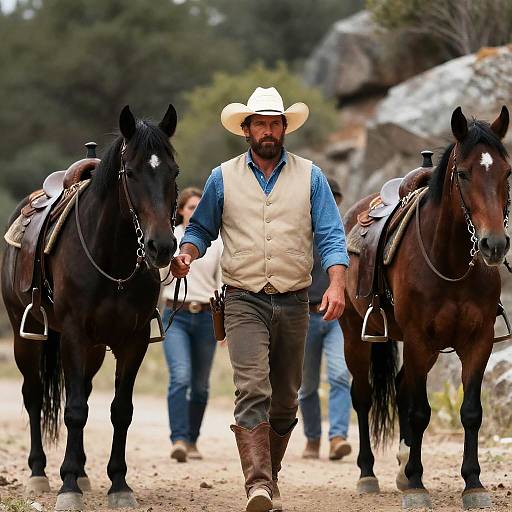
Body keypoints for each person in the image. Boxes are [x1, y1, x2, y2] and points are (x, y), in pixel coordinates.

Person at [170, 87, 349, 512]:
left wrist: (338, 284)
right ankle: (258, 486)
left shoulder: (311, 176)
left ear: (284, 128)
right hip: (242, 299)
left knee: (287, 400)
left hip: (294, 299)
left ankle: (270, 475)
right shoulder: (221, 177)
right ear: (245, 130)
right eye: (260, 124)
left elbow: (330, 236)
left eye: (275, 123)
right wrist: (186, 253)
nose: (268, 131)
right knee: (252, 388)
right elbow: (200, 230)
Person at [161, 187, 223, 463]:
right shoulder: (168, 238)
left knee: (200, 385)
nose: (194, 212)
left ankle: (193, 439)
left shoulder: (216, 243)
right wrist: (169, 262)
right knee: (181, 376)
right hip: (176, 315)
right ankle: (178, 439)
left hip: (207, 316)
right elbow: (160, 278)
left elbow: (222, 283)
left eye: (199, 207)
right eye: (189, 207)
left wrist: (226, 322)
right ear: (181, 210)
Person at [299, 179, 352, 461]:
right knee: (306, 385)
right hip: (304, 316)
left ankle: (338, 437)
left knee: (340, 375)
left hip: (336, 317)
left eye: (333, 199)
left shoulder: (343, 235)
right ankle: (312, 437)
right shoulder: (298, 235)